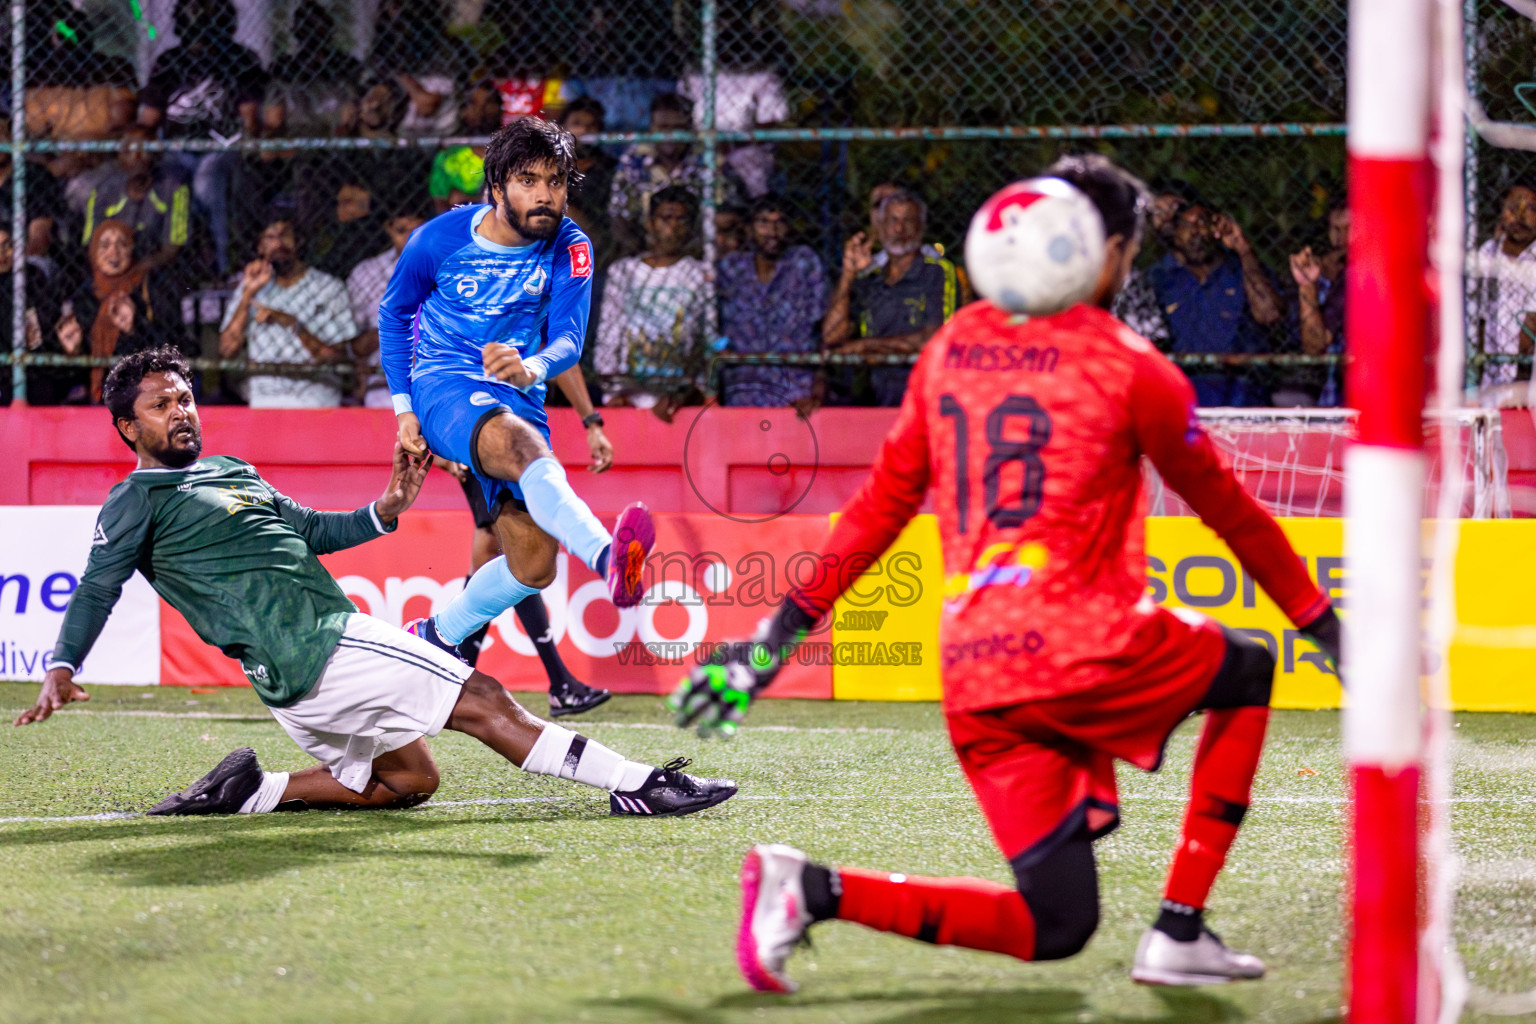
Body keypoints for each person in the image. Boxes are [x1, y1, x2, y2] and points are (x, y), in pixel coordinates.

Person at [669, 156, 1342, 991]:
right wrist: (1327, 626)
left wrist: (769, 646)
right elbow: (1232, 513)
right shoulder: (1132, 366)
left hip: (978, 667)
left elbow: (878, 512)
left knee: (1058, 924)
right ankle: (1178, 928)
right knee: (1248, 668)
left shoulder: (953, 347)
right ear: (1106, 251)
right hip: (1084, 645)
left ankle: (810, 889)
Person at [13, 348, 735, 825]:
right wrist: (62, 666)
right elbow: (95, 589)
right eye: (160, 406)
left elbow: (312, 531)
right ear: (123, 427)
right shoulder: (134, 500)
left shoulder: (229, 468)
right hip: (325, 647)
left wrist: (387, 508)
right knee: (481, 699)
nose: (181, 412)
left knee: (409, 780)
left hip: (294, 688)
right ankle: (639, 783)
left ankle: (252, 791)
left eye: (184, 398)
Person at [377, 118, 658, 668]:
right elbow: (395, 314)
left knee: (534, 563)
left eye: (555, 182)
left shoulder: (571, 246)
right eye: (529, 181)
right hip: (445, 385)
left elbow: (569, 342)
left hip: (519, 399)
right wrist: (404, 409)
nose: (545, 195)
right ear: (498, 184)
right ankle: (606, 556)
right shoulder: (437, 239)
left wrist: (531, 368)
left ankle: (434, 634)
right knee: (522, 447)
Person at [137, 0, 268, 277]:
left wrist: (244, 143)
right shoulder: (169, 62)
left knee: (208, 180)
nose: (198, 38)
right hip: (178, 150)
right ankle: (176, 270)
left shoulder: (240, 60)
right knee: (172, 182)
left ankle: (224, 266)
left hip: (223, 148)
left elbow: (250, 120)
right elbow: (148, 120)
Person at [823, 188, 959, 406]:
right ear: (880, 227)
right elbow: (831, 336)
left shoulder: (938, 272)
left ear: (921, 229)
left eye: (908, 221)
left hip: (924, 394)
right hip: (874, 397)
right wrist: (848, 275)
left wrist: (866, 345)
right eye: (892, 220)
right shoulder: (869, 277)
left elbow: (933, 339)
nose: (899, 228)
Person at [1145, 196, 1283, 406]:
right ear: (1174, 234)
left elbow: (1270, 314)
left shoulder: (1242, 270)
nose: (1195, 233)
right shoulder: (1160, 278)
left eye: (1202, 223)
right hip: (1181, 397)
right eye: (1185, 225)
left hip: (1243, 396)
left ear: (1216, 227)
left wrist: (1243, 248)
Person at [219, 217, 358, 409]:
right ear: (260, 247)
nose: (278, 243)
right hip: (264, 399)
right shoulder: (251, 287)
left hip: (316, 398)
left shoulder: (329, 288)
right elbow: (227, 349)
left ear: (298, 242)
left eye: (285, 235)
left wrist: (292, 323)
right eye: (270, 237)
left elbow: (334, 356)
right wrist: (248, 294)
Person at [594, 186, 709, 417]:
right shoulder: (625, 271)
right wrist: (612, 393)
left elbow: (705, 336)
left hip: (676, 391)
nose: (673, 227)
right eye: (666, 218)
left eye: (682, 220)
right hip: (626, 389)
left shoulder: (698, 274)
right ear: (650, 222)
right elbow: (609, 330)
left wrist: (691, 390)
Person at [57, 220, 189, 404]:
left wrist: (132, 330)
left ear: (131, 250)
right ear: (93, 251)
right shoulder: (84, 297)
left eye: (122, 244)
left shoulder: (149, 288)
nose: (113, 252)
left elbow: (171, 348)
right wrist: (74, 353)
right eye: (104, 245)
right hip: (96, 396)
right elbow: (74, 375)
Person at [716, 194, 826, 412]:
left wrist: (819, 384)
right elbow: (713, 324)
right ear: (749, 229)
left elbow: (821, 329)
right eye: (763, 223)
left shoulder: (804, 263)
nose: (772, 232)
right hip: (744, 390)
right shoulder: (731, 269)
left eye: (780, 223)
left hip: (795, 392)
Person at [608, 93, 730, 258]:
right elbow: (619, 216)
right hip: (646, 249)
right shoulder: (635, 158)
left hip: (698, 248)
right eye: (663, 127)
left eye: (678, 128)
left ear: (690, 128)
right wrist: (646, 255)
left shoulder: (708, 159)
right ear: (652, 129)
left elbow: (723, 214)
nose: (670, 135)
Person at [77, 126, 191, 276]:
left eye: (144, 151)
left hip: (156, 271)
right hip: (111, 268)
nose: (136, 157)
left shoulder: (174, 189)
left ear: (157, 155)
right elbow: (91, 243)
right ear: (120, 158)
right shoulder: (102, 193)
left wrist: (137, 273)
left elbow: (173, 246)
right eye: (128, 151)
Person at [349, 210, 429, 409]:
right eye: (401, 231)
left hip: (439, 378)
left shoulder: (451, 267)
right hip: (383, 383)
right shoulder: (368, 273)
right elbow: (353, 346)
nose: (410, 239)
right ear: (388, 230)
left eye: (417, 230)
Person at [1468, 182, 1536, 395]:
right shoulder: (1489, 252)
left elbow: (1530, 328)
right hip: (1491, 378)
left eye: (1531, 209)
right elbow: (1477, 314)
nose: (1520, 215)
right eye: (1512, 207)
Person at [1279, 202, 1348, 407]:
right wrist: (1308, 286)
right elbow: (1314, 345)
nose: (1342, 237)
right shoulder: (1332, 277)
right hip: (1333, 390)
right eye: (1335, 229)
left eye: (1350, 228)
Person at [429, 81, 503, 215]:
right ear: (463, 111)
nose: (481, 110)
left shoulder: (514, 153)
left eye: (489, 102)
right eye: (473, 103)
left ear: (499, 108)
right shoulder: (448, 156)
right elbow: (440, 203)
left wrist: (469, 199)